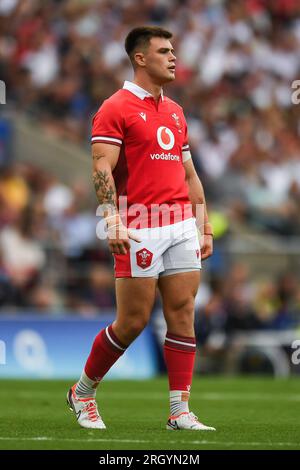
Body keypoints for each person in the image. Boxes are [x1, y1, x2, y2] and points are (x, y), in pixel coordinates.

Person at [67, 26, 215, 431]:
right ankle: (82, 391)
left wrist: (204, 226)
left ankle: (179, 411)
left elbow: (189, 173)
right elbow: (102, 168)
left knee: (183, 313)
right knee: (132, 321)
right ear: (140, 58)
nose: (173, 57)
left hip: (182, 223)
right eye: (164, 51)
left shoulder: (175, 111)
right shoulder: (115, 107)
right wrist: (112, 218)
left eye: (174, 50)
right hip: (138, 224)